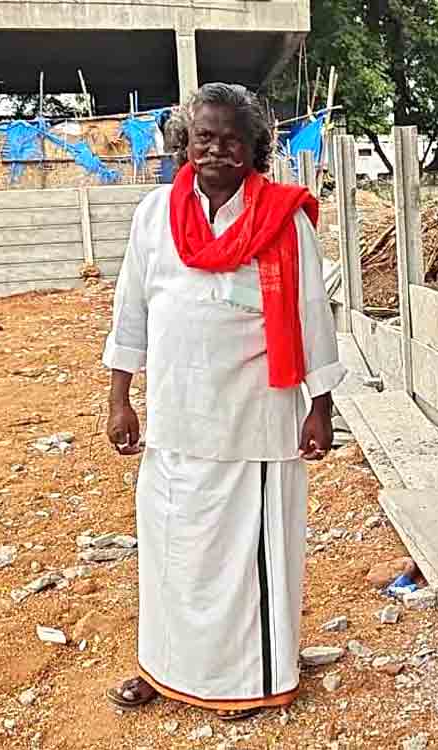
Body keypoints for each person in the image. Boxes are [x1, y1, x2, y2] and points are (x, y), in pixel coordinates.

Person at [100, 82, 344, 721]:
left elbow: (312, 313)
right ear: (185, 142)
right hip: (177, 415)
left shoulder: (284, 216)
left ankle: (247, 680)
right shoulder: (154, 213)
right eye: (203, 137)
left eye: (232, 139)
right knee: (169, 547)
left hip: (256, 420)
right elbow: (133, 307)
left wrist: (320, 405)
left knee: (246, 559)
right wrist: (119, 395)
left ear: (255, 148)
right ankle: (165, 666)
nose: (216, 150)